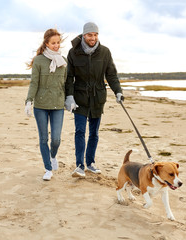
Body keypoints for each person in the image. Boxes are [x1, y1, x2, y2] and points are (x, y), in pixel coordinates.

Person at [65, 22, 124, 178]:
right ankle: (79, 165)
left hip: (97, 99)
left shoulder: (104, 52)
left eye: (95, 34)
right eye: (90, 35)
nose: (93, 37)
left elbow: (111, 74)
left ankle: (90, 163)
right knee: (79, 131)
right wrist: (69, 96)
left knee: (94, 133)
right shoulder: (73, 53)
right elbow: (69, 77)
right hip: (79, 98)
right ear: (84, 35)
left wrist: (118, 91)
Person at [25, 29, 67, 181]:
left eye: (58, 43)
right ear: (47, 43)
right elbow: (34, 82)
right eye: (53, 43)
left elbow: (66, 83)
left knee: (56, 139)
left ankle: (53, 156)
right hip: (41, 105)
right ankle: (48, 168)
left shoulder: (63, 60)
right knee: (44, 139)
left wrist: (70, 99)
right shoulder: (39, 60)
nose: (56, 46)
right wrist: (29, 101)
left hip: (57, 105)